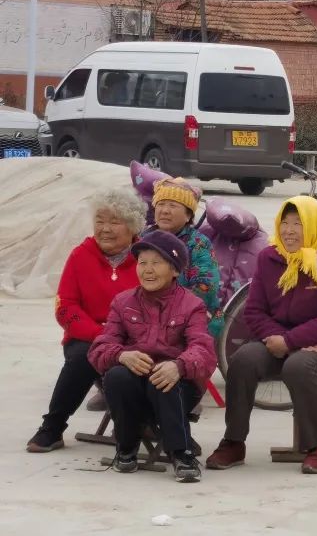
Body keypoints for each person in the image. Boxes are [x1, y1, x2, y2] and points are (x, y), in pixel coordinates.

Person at [205, 196, 317, 475]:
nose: (289, 230)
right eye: (285, 223)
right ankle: (233, 441)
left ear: (313, 225)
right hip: (276, 341)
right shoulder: (269, 257)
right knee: (242, 360)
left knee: (299, 365)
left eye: (297, 223)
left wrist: (290, 343)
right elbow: (253, 312)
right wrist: (280, 340)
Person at [87, 230, 217, 483]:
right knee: (116, 376)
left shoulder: (192, 305)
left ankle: (182, 454)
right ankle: (126, 449)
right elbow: (99, 348)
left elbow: (204, 350)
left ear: (175, 270)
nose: (147, 270)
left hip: (177, 387)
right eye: (142, 263)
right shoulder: (123, 302)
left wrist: (179, 366)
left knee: (164, 380)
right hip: (136, 387)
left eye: (156, 263)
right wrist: (122, 356)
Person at [25, 189, 144, 453]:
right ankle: (53, 427)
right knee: (83, 355)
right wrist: (99, 334)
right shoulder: (80, 256)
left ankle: (160, 429)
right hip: (89, 337)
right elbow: (65, 307)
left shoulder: (146, 259)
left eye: (114, 221)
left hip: (135, 339)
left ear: (133, 226)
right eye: (100, 221)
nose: (105, 229)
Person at [147, 177, 224, 338]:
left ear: (188, 216)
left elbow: (205, 287)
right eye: (161, 204)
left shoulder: (198, 244)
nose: (165, 210)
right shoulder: (144, 238)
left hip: (189, 315)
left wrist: (166, 307)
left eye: (173, 206)